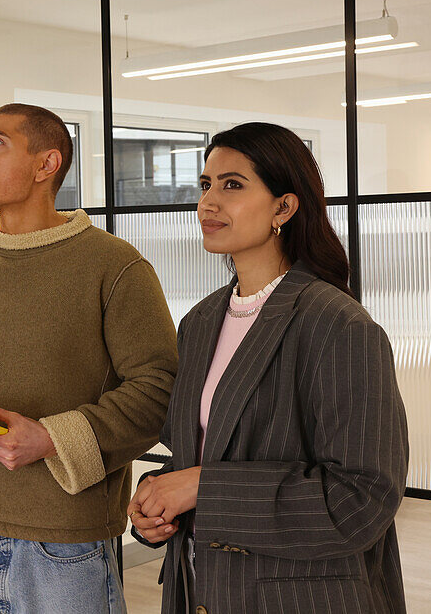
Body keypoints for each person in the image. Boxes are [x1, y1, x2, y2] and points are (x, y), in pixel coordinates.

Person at [0, 103, 178, 614]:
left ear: (47, 165)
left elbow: (158, 389)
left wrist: (50, 438)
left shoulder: (116, 266)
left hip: (66, 545)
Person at [128, 122, 408, 614]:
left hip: (301, 597)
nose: (209, 202)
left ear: (284, 206)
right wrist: (154, 507)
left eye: (232, 185)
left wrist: (199, 488)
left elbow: (361, 499)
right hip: (200, 591)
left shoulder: (337, 326)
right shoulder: (199, 323)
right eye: (206, 185)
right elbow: (196, 454)